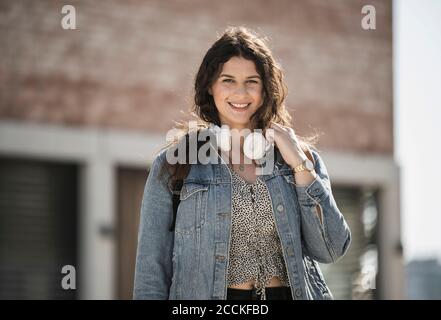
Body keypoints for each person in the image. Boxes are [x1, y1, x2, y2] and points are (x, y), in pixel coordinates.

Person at [133, 26, 351, 300]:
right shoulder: (175, 165)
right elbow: (151, 272)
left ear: (265, 89)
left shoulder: (300, 159)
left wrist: (298, 163)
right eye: (228, 80)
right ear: (210, 86)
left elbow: (331, 248)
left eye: (252, 81)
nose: (240, 92)